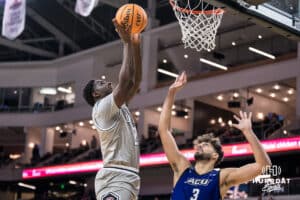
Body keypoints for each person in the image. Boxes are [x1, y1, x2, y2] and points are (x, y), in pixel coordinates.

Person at [158, 72, 271, 200]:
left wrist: (248, 132)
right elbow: (164, 130)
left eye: (205, 145)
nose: (200, 146)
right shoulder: (182, 168)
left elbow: (263, 166)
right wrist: (171, 93)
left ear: (215, 155)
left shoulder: (222, 177)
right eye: (200, 144)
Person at [83, 19, 142, 200]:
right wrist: (125, 43)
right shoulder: (102, 108)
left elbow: (135, 81)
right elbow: (124, 83)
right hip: (115, 176)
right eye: (101, 83)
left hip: (128, 175)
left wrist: (135, 46)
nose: (108, 82)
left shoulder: (117, 106)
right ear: (95, 94)